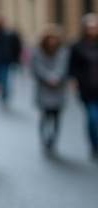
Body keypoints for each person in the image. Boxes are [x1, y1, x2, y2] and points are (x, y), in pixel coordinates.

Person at [32, 24, 69, 153]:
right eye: (50, 38)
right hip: (44, 88)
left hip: (57, 89)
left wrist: (56, 77)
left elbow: (63, 66)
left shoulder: (62, 51)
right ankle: (43, 139)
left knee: (56, 116)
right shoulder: (38, 51)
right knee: (45, 115)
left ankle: (53, 139)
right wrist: (47, 77)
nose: (52, 41)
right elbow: (36, 67)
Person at [69, 13, 98, 160]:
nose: (92, 29)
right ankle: (95, 145)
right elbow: (72, 66)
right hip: (88, 88)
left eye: (95, 27)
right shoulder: (77, 46)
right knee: (93, 118)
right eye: (90, 27)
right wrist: (73, 80)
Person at [0, 16, 23, 104]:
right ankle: (4, 93)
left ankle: (4, 93)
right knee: (2, 77)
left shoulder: (7, 34)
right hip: (1, 59)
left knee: (3, 77)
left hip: (5, 59)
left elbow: (16, 46)